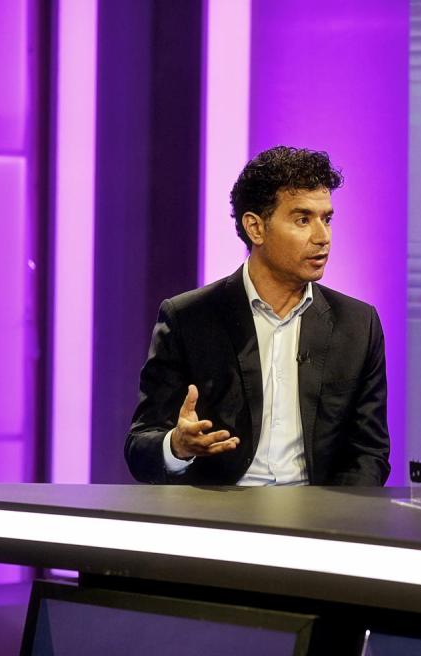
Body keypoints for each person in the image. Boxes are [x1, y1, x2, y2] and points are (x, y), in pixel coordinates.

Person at [125, 146, 390, 486]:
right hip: (218, 510)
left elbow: (369, 453)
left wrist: (339, 513)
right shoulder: (188, 319)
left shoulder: (357, 325)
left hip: (319, 512)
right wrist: (176, 446)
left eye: (326, 219)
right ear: (255, 228)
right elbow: (140, 446)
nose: (322, 237)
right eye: (303, 219)